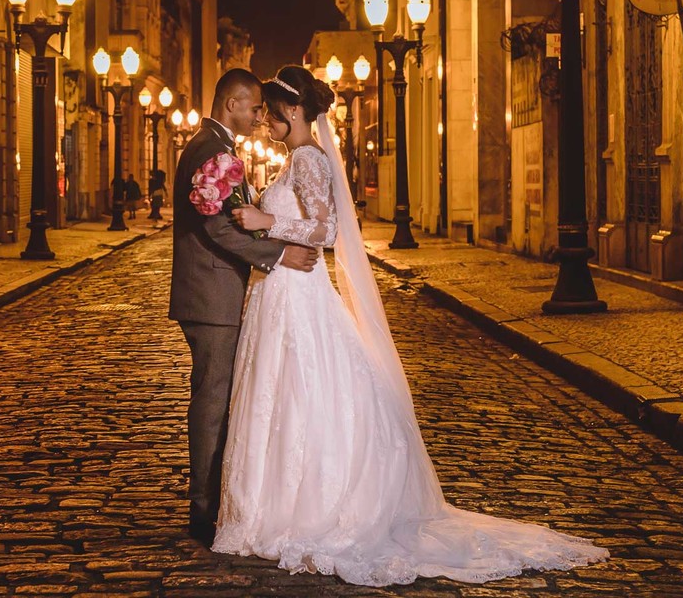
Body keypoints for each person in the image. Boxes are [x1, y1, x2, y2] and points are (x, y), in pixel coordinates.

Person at [218, 65, 609, 587]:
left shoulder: (310, 159)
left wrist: (268, 223)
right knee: (278, 391)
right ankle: (269, 502)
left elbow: (327, 229)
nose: (264, 120)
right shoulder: (294, 160)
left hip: (299, 296)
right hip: (279, 292)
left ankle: (305, 506)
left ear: (293, 111)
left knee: (302, 389)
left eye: (270, 111)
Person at [168, 68, 321, 547]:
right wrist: (277, 252)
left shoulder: (216, 147)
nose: (260, 118)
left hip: (217, 293)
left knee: (219, 397)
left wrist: (266, 226)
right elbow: (216, 230)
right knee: (212, 401)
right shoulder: (212, 151)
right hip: (211, 297)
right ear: (232, 103)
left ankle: (217, 500)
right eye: (255, 108)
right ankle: (203, 509)